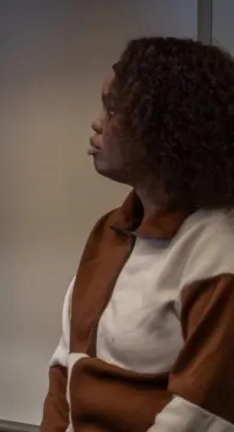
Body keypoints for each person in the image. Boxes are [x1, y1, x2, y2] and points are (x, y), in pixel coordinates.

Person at [41, 37, 234, 431]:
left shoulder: (218, 246)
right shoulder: (110, 230)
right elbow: (65, 365)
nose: (97, 122)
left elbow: (203, 412)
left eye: (112, 109)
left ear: (165, 126)